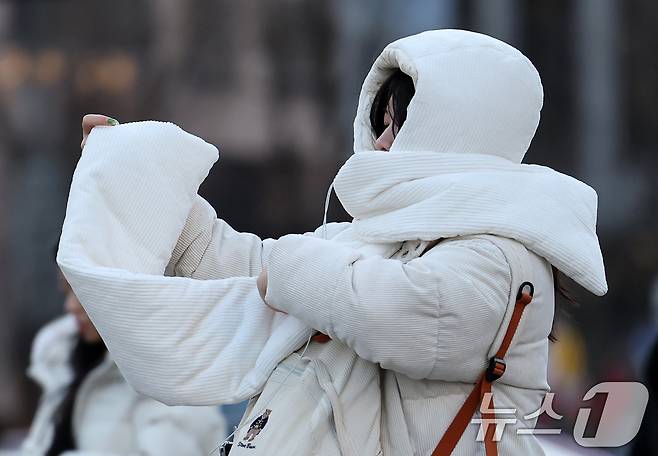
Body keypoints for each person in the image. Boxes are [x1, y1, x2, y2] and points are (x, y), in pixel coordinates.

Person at [59, 29, 607, 455]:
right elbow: (250, 272)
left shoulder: (503, 256)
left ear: (459, 129)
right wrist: (139, 180)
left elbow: (407, 313)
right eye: (381, 121)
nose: (383, 140)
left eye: (402, 123)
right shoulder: (369, 243)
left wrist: (292, 270)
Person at [21, 245, 226, 455]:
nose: (70, 306)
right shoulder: (62, 357)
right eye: (65, 290)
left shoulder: (173, 372)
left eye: (79, 288)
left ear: (121, 287)